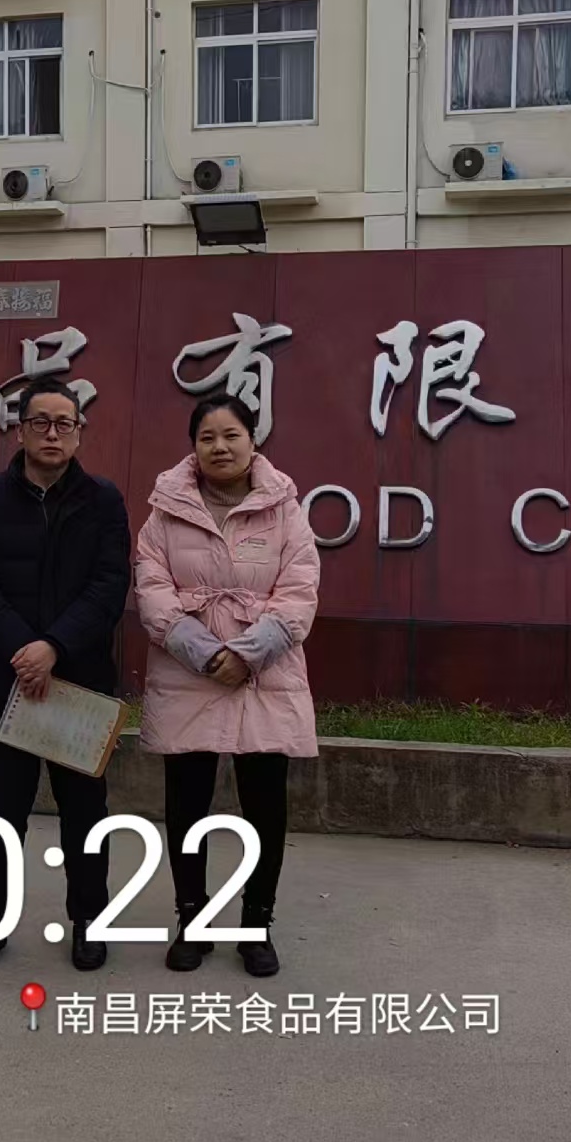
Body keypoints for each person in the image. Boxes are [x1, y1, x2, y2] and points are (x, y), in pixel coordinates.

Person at [0, 376, 132, 974]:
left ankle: (90, 921)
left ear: (79, 433)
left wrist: (54, 645)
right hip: (12, 684)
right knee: (1, 809)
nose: (53, 433)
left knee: (85, 811)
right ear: (20, 430)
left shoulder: (104, 500)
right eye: (41, 422)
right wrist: (23, 650)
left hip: (80, 682)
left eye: (65, 423)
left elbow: (110, 585)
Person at [133, 392, 321, 978]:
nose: (219, 446)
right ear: (193, 447)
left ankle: (255, 926)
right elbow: (151, 589)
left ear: (252, 440)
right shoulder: (165, 512)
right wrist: (204, 652)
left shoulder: (285, 510)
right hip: (187, 673)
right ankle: (192, 921)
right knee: (186, 807)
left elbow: (299, 590)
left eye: (231, 434)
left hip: (265, 676)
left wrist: (247, 656)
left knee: (265, 807)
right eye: (207, 437)